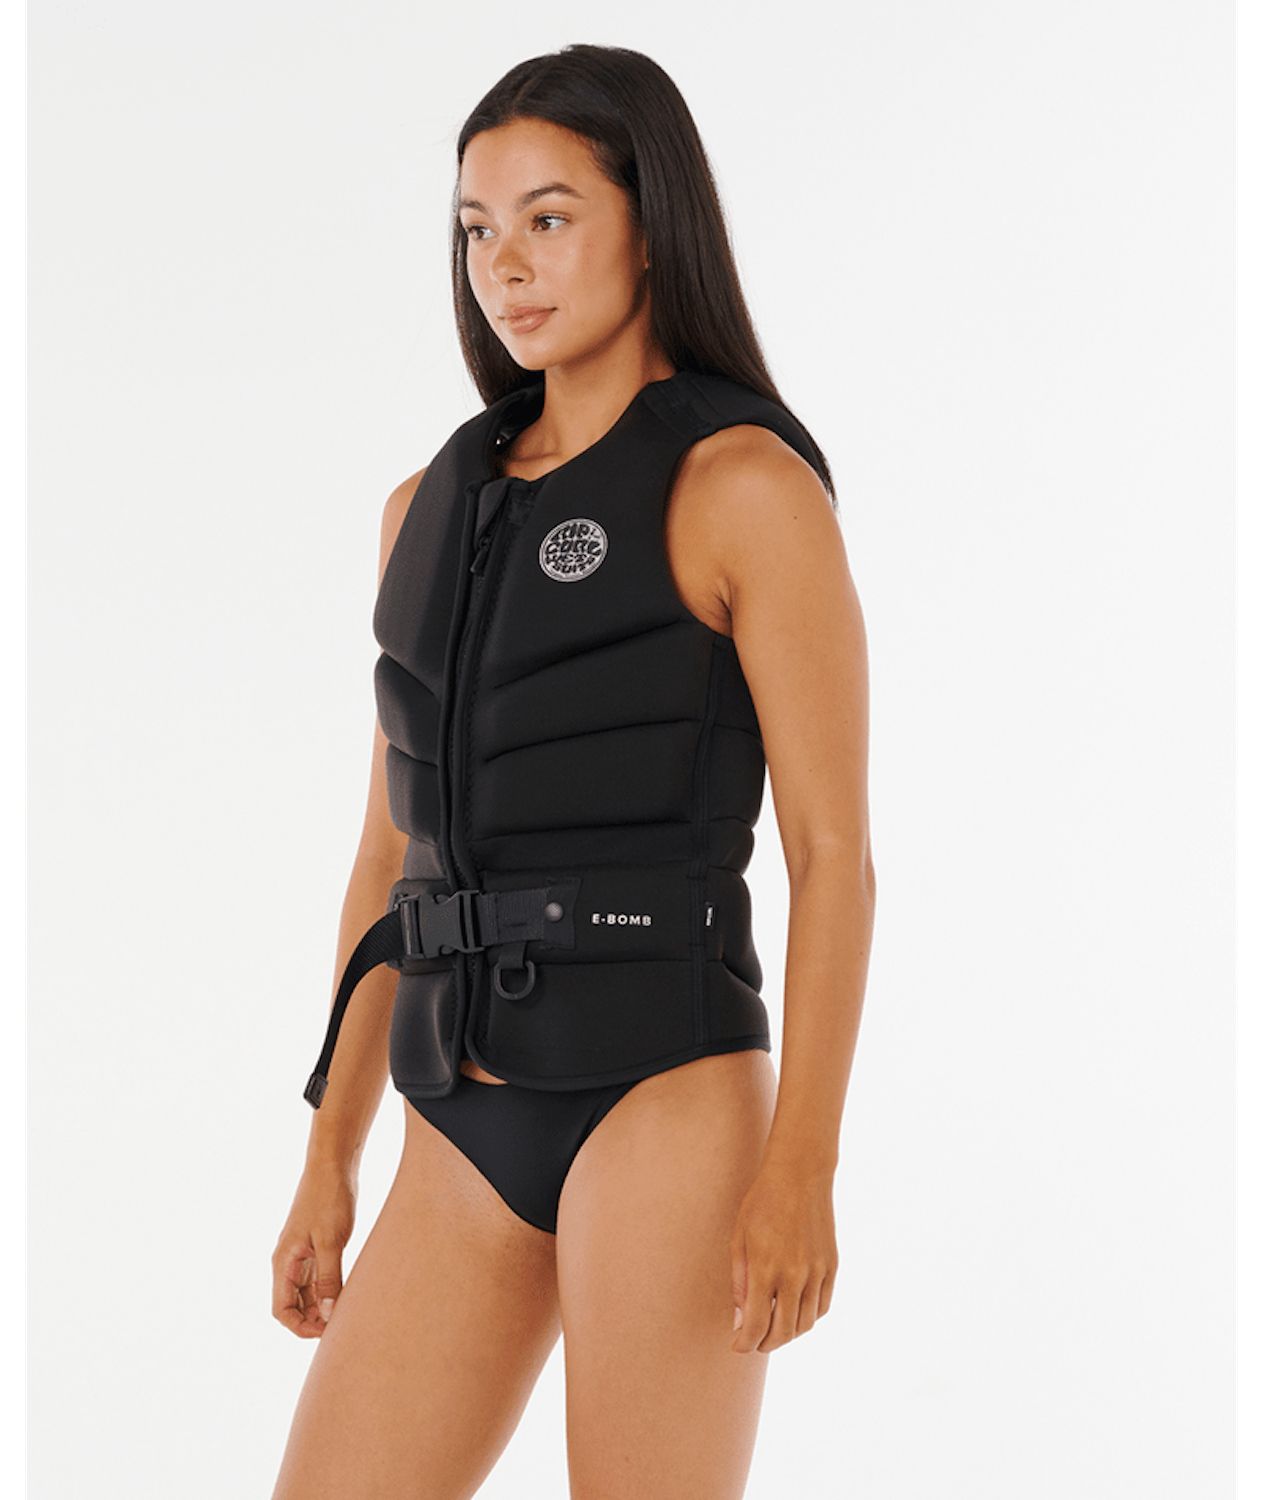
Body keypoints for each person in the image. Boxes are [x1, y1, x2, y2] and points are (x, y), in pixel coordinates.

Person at [270, 43, 875, 1500]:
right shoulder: (425, 510)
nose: (505, 264)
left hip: (665, 1095)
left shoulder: (744, 488)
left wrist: (803, 1165)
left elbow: (832, 855)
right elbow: (391, 857)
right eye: (477, 227)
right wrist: (329, 1151)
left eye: (549, 218)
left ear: (650, 226)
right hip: (458, 1111)